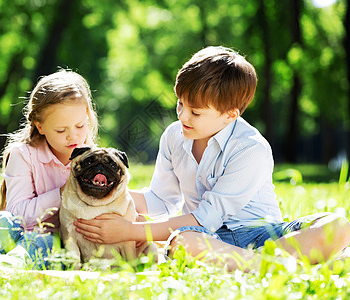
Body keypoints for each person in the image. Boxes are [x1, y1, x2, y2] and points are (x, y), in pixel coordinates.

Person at [74, 46, 350, 271]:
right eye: (180, 103)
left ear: (231, 114)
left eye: (195, 112)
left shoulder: (251, 148)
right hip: (207, 239)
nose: (182, 116)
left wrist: (129, 231)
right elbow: (160, 199)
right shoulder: (174, 136)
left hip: (264, 235)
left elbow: (206, 217)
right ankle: (279, 267)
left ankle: (265, 264)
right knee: (183, 243)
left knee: (338, 226)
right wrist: (107, 188)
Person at [0, 69, 98, 269]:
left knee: (45, 241)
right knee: (2, 219)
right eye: (61, 130)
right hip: (18, 230)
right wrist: (65, 192)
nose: (73, 136)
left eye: (80, 126)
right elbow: (17, 215)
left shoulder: (95, 161)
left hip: (57, 241)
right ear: (40, 126)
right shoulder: (23, 155)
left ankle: (8, 265)